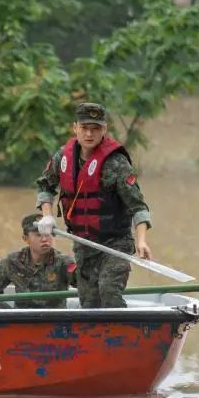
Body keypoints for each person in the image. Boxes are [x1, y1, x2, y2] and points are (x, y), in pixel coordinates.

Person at [36, 102, 152, 308]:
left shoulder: (116, 163)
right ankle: (97, 339)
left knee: (108, 292)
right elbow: (45, 185)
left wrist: (142, 241)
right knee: (89, 303)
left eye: (95, 128)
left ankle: (122, 336)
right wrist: (47, 215)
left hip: (116, 245)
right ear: (75, 128)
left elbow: (138, 207)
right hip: (84, 245)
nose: (89, 134)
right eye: (84, 128)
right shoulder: (63, 158)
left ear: (104, 130)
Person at [0, 214, 77, 309]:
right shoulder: (14, 261)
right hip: (22, 321)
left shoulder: (63, 262)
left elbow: (82, 279)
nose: (45, 239)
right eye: (38, 235)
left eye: (48, 234)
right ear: (25, 239)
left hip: (56, 323)